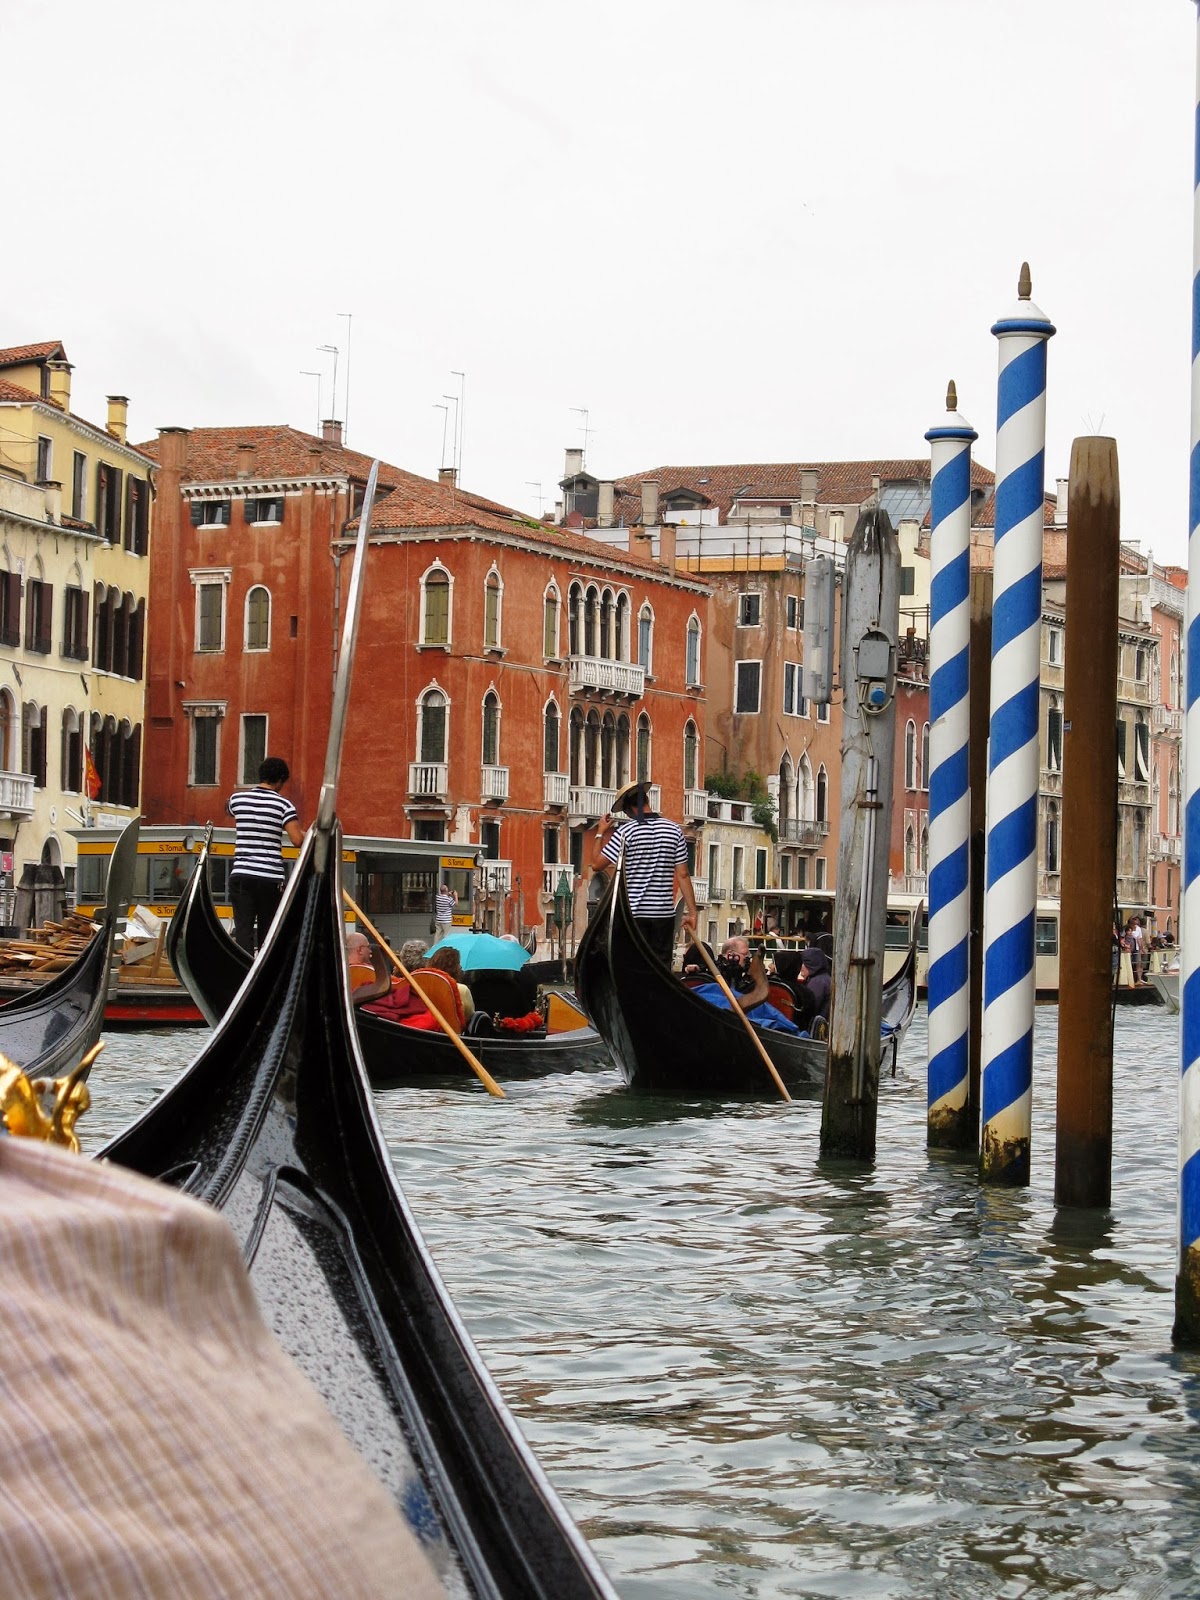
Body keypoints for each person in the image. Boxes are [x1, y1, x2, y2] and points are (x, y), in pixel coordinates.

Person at [591, 778, 698, 965]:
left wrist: (600, 832)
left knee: (632, 966)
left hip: (633, 916)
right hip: (664, 915)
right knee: (660, 966)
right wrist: (693, 913)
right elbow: (682, 875)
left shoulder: (626, 832)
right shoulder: (674, 830)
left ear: (630, 809)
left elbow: (596, 864)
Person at [226, 755, 304, 954]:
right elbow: (297, 840)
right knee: (268, 931)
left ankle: (243, 969)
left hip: (241, 874)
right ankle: (263, 970)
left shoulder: (237, 799)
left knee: (243, 929)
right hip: (270, 878)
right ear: (280, 780)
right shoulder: (284, 806)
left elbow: (229, 809)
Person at [689, 935, 801, 1034]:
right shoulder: (709, 975)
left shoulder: (746, 978)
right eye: (744, 954)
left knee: (764, 1010)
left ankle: (792, 1031)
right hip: (720, 1009)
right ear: (730, 955)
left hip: (742, 1012)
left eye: (748, 954)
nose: (747, 958)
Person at [424, 944, 475, 1022]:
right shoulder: (462, 990)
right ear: (453, 967)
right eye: (458, 963)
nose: (460, 967)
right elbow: (470, 1017)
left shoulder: (423, 986)